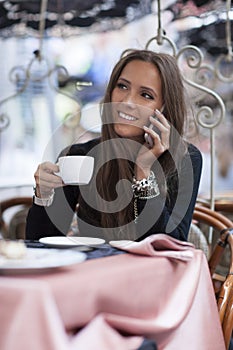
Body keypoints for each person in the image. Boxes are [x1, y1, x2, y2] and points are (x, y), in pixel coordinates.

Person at [26, 49, 202, 242]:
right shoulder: (81, 156)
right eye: (122, 86)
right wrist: (43, 195)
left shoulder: (185, 157)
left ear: (164, 108)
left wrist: (143, 172)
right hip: (96, 270)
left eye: (145, 95)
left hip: (153, 272)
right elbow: (40, 242)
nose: (126, 101)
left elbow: (170, 244)